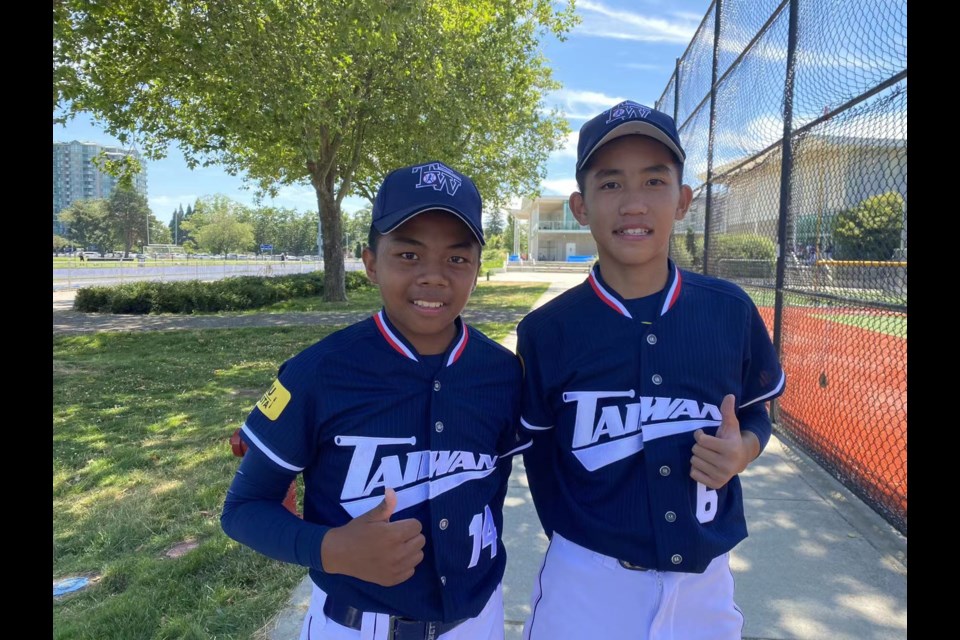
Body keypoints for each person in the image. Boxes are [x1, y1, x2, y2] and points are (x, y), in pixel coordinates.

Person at [220, 160, 528, 640]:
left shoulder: (503, 372)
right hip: (356, 626)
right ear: (369, 262)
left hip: (476, 621)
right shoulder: (318, 372)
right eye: (408, 255)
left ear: (476, 268)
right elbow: (243, 509)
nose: (434, 277)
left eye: (457, 258)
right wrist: (332, 548)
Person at [516, 101, 786, 640]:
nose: (634, 204)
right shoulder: (548, 331)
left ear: (683, 200)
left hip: (704, 585)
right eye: (611, 184)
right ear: (580, 206)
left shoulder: (729, 309)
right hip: (586, 583)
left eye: (655, 181)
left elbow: (758, 412)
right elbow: (540, 457)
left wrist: (745, 450)